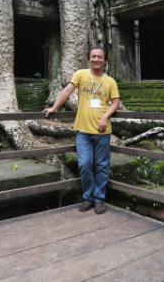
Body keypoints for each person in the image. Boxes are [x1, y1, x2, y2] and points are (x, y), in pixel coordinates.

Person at [44, 47, 120, 214]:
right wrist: (54, 107)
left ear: (105, 61)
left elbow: (115, 102)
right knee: (85, 164)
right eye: (93, 56)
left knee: (101, 166)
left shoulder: (110, 81)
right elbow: (67, 91)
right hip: (83, 130)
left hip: (102, 130)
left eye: (100, 57)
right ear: (89, 59)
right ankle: (88, 197)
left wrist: (105, 117)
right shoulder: (80, 74)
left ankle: (99, 199)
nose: (96, 59)